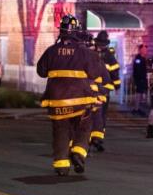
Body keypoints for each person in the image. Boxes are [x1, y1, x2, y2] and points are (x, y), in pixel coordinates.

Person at [37, 14, 105, 176]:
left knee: (60, 130)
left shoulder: (51, 51)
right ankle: (78, 153)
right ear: (76, 31)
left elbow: (41, 71)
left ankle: (61, 165)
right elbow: (95, 73)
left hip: (57, 101)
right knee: (84, 126)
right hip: (80, 101)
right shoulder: (84, 52)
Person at [89, 30, 119, 152]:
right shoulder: (109, 57)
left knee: (97, 114)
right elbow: (115, 74)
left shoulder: (91, 54)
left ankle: (96, 139)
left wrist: (117, 86)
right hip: (99, 90)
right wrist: (117, 86)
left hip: (95, 89)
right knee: (99, 115)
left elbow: (115, 73)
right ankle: (96, 139)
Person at [132, 44, 149, 116]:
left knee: (141, 93)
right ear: (140, 50)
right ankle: (136, 109)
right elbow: (138, 70)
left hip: (142, 79)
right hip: (139, 79)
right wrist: (140, 79)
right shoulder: (138, 58)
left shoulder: (143, 58)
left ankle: (138, 108)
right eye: (144, 49)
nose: (146, 51)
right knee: (139, 93)